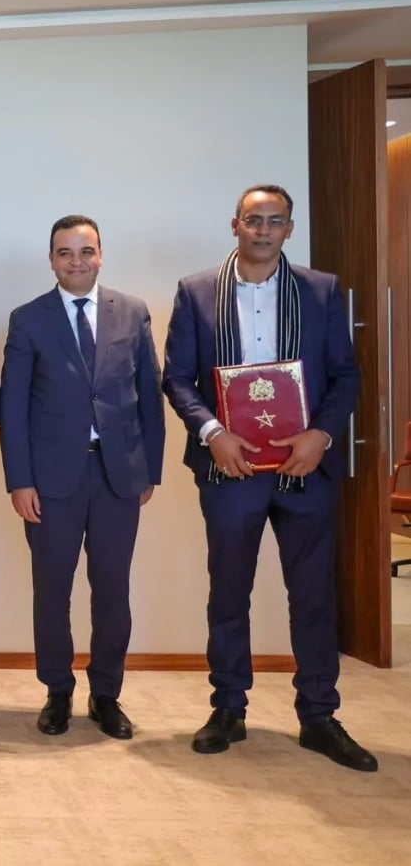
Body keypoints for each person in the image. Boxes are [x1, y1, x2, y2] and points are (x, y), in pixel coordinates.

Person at [162, 184, 375, 771]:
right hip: (230, 465)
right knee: (229, 591)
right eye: (253, 220)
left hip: (305, 465)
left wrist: (320, 435)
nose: (262, 230)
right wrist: (213, 433)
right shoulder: (196, 291)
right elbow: (177, 378)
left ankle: (319, 715)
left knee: (313, 594)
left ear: (289, 229)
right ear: (235, 224)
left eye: (274, 221)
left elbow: (345, 375)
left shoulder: (321, 290)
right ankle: (228, 708)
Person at [0, 215, 165, 739]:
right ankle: (57, 691)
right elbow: (13, 406)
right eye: (65, 252)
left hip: (119, 475)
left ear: (100, 255)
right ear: (51, 259)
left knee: (112, 589)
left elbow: (149, 395)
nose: (77, 261)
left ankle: (106, 694)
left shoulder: (132, 311)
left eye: (86, 251)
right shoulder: (29, 319)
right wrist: (19, 480)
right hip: (50, 481)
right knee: (52, 590)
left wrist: (150, 469)